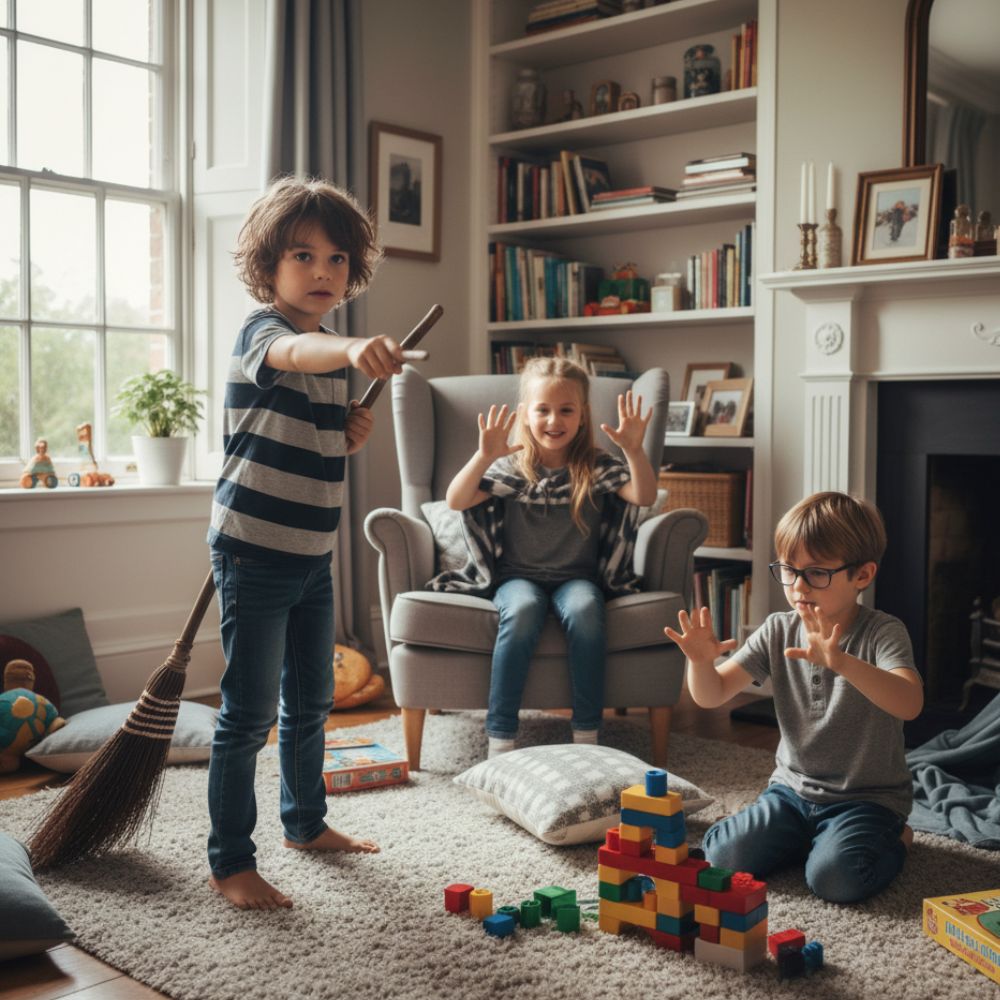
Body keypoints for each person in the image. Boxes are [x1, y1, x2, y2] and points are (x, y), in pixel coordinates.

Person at [206, 175, 405, 910]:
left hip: (311, 555)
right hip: (254, 550)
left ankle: (305, 822)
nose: (323, 272)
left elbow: (315, 430)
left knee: (312, 700)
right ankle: (230, 862)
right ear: (270, 267)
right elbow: (294, 357)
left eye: (337, 261)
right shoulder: (267, 333)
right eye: (303, 256)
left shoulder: (327, 351)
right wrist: (353, 350)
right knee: (248, 712)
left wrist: (349, 434)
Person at [665, 491, 924, 904]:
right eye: (789, 570)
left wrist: (841, 662)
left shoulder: (883, 632)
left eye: (817, 573)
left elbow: (910, 702)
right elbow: (712, 695)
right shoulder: (777, 629)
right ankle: (804, 838)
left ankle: (898, 838)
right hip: (790, 792)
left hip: (866, 798)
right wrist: (699, 663)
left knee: (835, 880)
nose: (798, 586)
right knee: (720, 856)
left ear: (862, 575)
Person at [441, 356, 657, 757]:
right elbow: (456, 500)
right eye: (542, 409)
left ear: (582, 416)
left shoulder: (595, 466)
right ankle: (501, 737)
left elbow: (643, 497)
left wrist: (633, 450)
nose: (553, 420)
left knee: (586, 610)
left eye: (566, 410)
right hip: (515, 578)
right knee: (522, 610)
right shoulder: (510, 467)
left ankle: (587, 736)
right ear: (525, 413)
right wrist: (483, 455)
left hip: (577, 578)